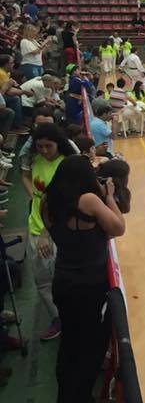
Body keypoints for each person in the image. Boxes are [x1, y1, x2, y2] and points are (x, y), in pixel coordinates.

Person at [42, 155, 125, 403]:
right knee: (88, 351)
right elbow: (117, 228)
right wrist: (110, 196)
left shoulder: (48, 203)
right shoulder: (88, 200)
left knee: (70, 349)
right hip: (88, 287)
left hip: (64, 280)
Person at [25, 123, 73, 342]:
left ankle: (69, 319)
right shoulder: (35, 160)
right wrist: (32, 195)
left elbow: (63, 205)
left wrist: (46, 232)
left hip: (54, 233)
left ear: (58, 144)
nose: (44, 150)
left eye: (48, 146)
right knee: (43, 282)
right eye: (39, 146)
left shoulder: (66, 166)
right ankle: (59, 319)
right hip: (34, 227)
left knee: (60, 280)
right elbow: (24, 174)